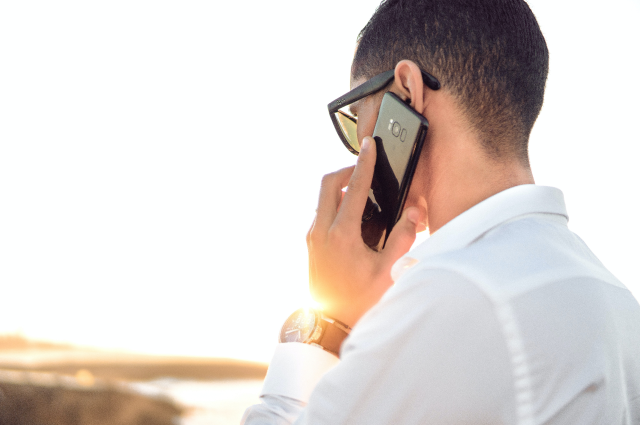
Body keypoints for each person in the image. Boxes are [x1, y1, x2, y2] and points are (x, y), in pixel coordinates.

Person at [242, 0, 640, 423]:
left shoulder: (451, 297)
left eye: (356, 115)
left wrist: (325, 327)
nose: (359, 144)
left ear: (407, 94)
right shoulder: (618, 302)